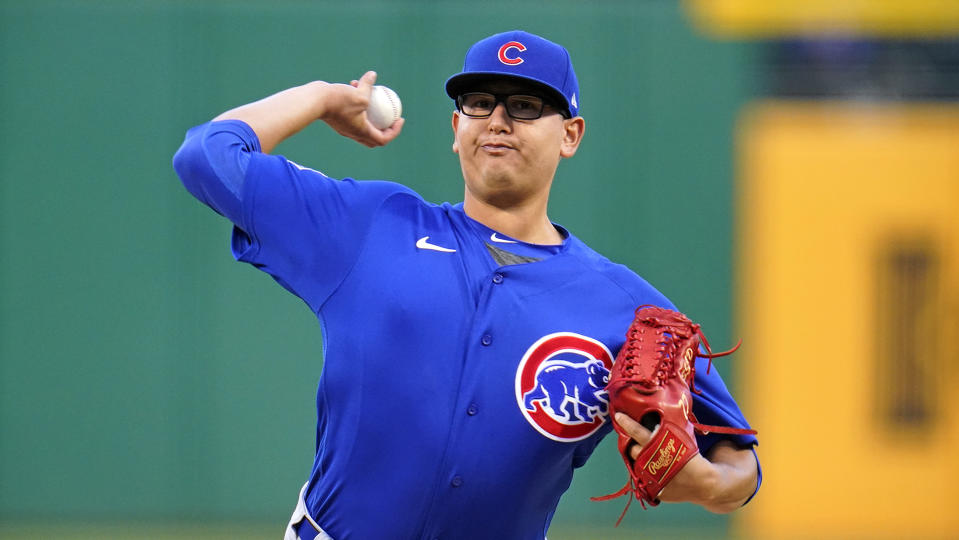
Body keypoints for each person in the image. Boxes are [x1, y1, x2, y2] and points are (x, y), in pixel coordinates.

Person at [173, 30, 760, 540]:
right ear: (457, 128)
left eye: (526, 105)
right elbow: (207, 156)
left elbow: (741, 460)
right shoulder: (372, 225)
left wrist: (712, 484)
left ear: (571, 135)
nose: (498, 121)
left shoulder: (626, 306)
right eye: (480, 104)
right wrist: (323, 97)